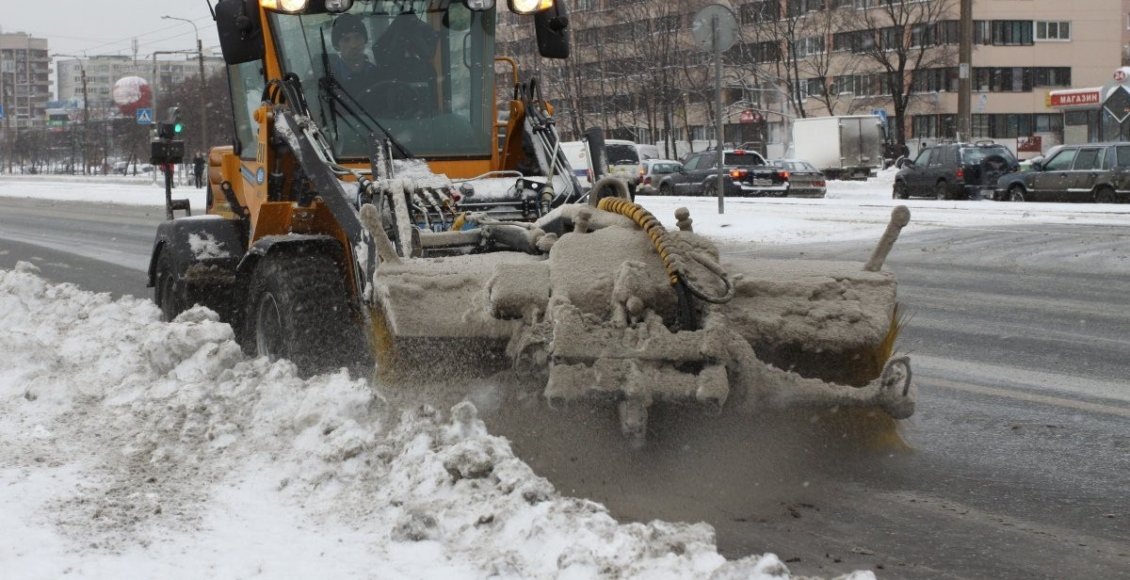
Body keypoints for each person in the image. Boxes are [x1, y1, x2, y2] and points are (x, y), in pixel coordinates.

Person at [328, 14, 380, 99]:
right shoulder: (331, 80)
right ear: (337, 46)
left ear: (365, 40)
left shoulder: (377, 74)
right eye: (346, 40)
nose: (353, 45)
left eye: (357, 37)